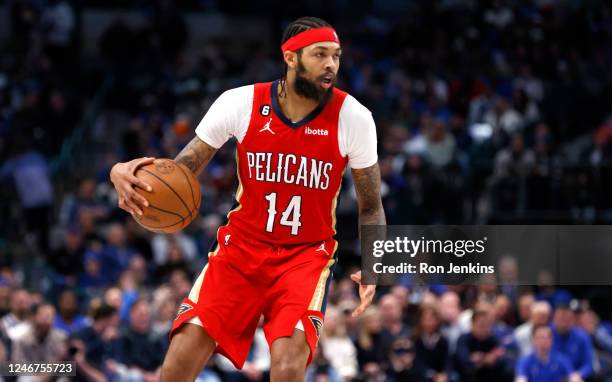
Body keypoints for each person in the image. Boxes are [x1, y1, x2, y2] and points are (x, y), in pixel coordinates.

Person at [109, 16, 384, 382]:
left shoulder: (354, 117)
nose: (331, 64)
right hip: (240, 249)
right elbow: (180, 171)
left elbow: (371, 205)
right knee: (176, 365)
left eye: (336, 55)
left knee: (287, 367)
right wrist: (119, 171)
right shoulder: (240, 102)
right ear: (290, 58)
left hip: (304, 257)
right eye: (320, 54)